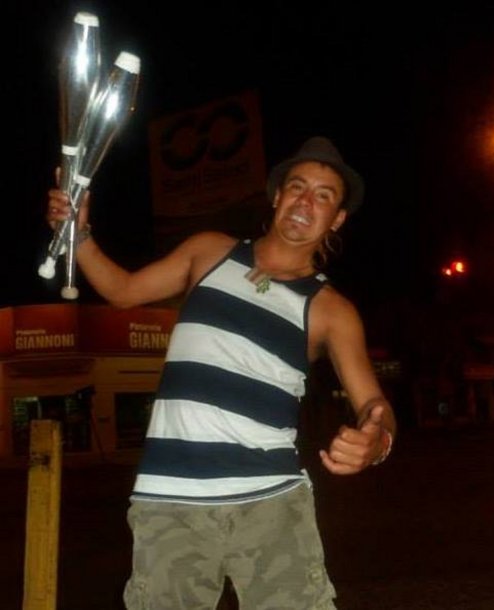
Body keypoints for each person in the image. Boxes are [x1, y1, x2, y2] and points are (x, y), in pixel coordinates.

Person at [47, 135, 397, 609]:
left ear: (336, 218)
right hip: (171, 495)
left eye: (323, 195)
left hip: (271, 496)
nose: (305, 202)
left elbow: (374, 405)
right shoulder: (210, 251)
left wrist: (377, 441)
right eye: (297, 187)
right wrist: (79, 233)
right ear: (277, 196)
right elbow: (123, 291)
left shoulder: (332, 309)